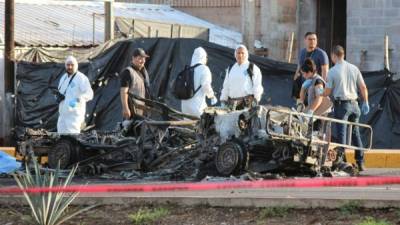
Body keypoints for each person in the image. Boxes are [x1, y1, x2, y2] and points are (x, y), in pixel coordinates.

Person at [323, 45, 370, 171]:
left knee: (342, 134)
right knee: (355, 134)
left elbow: (327, 92)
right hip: (355, 105)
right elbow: (363, 87)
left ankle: (341, 162)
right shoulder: (354, 68)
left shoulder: (332, 71)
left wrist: (318, 92)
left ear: (333, 55)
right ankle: (360, 162)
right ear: (343, 54)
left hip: (342, 105)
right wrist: (365, 102)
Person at [220, 44, 263, 110]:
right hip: (231, 105)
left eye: (242, 53)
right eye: (238, 53)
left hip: (247, 104)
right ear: (235, 54)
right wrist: (223, 100)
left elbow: (257, 86)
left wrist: (256, 100)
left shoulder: (252, 68)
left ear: (246, 54)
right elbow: (226, 86)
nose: (240, 55)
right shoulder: (231, 68)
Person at [57, 56, 94, 133]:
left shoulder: (81, 78)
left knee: (73, 137)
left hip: (74, 115)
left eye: (72, 65)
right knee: (61, 136)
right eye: (68, 65)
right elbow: (61, 92)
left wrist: (77, 99)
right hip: (63, 114)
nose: (70, 67)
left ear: (76, 65)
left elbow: (89, 94)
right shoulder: (63, 78)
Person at [181, 47, 217, 117]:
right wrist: (212, 96)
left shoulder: (187, 69)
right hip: (197, 107)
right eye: (206, 57)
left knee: (188, 126)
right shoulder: (204, 69)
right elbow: (206, 86)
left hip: (184, 107)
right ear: (203, 57)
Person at [292, 32, 329, 101]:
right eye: (310, 39)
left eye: (314, 39)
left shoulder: (321, 54)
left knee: (313, 107)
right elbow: (299, 67)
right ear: (305, 40)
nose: (312, 41)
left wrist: (323, 88)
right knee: (301, 107)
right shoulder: (302, 52)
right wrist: (295, 81)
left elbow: (325, 72)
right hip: (303, 86)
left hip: (315, 86)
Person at [120, 48, 151, 120]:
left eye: (144, 58)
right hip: (132, 110)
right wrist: (125, 108)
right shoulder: (128, 72)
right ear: (133, 58)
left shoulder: (142, 72)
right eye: (140, 58)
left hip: (142, 109)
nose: (143, 61)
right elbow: (124, 91)